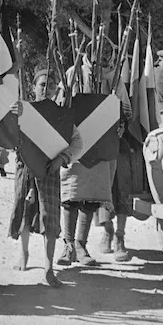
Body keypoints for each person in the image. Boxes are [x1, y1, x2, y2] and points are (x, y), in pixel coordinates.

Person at [58, 39, 135, 264]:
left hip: (102, 145)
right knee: (72, 194)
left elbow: (125, 112)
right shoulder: (74, 73)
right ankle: (68, 245)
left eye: (106, 54)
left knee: (91, 197)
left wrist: (119, 125)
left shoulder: (115, 77)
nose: (101, 59)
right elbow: (61, 103)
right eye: (96, 53)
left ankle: (81, 245)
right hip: (75, 141)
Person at [8, 67, 84, 287]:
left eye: (51, 85)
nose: (46, 89)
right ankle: (23, 254)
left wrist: (63, 158)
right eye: (42, 85)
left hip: (50, 169)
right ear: (33, 88)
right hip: (25, 168)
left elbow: (77, 142)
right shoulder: (24, 109)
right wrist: (15, 115)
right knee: (23, 211)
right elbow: (8, 133)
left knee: (49, 215)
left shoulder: (61, 115)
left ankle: (49, 267)